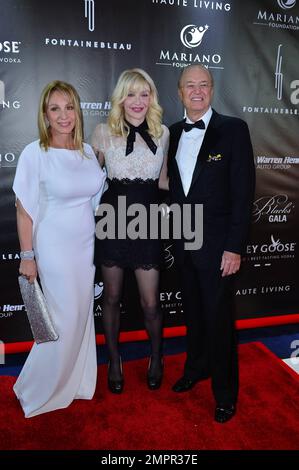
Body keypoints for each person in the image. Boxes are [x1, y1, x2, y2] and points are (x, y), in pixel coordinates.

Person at [13, 80, 106, 417]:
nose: (64, 115)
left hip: (85, 247)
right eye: (55, 108)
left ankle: (75, 383)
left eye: (69, 107)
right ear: (45, 115)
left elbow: (95, 197)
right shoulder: (35, 152)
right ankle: (39, 389)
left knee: (80, 317)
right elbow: (24, 209)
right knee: (62, 321)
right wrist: (28, 256)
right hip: (53, 248)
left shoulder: (85, 152)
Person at [167, 65, 255, 423]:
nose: (198, 91)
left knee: (219, 321)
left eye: (204, 85)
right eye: (191, 85)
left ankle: (225, 394)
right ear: (179, 92)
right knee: (194, 316)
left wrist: (234, 247)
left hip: (220, 249)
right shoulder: (171, 133)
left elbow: (243, 192)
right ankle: (196, 368)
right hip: (184, 245)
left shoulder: (233, 130)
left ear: (213, 89)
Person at [91, 68, 169, 393]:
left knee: (150, 301)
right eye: (131, 94)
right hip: (112, 220)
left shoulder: (163, 133)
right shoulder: (101, 132)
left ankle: (157, 357)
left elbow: (164, 181)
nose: (137, 101)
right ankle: (113, 360)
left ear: (151, 98)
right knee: (110, 296)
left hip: (148, 221)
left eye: (144, 93)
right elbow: (89, 181)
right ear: (120, 98)